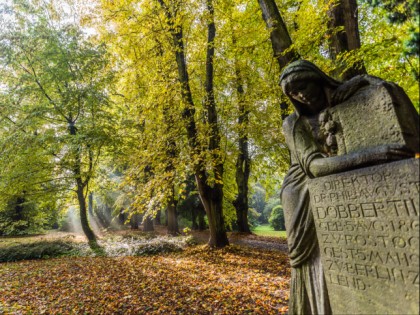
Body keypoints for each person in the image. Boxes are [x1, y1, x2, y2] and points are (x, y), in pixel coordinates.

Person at [279, 60, 412, 315]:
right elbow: (315, 168)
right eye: (293, 92)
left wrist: (363, 80)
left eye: (303, 84)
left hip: (336, 186)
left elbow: (384, 90)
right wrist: (374, 154)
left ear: (317, 77)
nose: (301, 93)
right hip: (301, 192)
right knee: (313, 262)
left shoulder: (343, 103)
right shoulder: (292, 124)